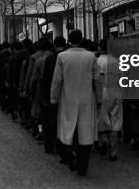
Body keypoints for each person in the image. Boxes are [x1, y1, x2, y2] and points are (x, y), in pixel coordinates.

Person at [50, 29, 102, 176]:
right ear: (81, 39)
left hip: (68, 98)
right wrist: (99, 99)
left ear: (69, 40)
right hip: (87, 98)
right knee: (84, 132)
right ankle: (83, 165)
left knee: (68, 130)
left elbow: (57, 80)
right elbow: (97, 80)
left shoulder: (62, 56)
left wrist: (53, 98)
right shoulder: (90, 57)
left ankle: (70, 157)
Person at [96, 39, 123, 161]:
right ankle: (114, 151)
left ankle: (103, 143)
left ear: (100, 48)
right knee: (115, 121)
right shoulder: (117, 61)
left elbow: (97, 79)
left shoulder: (98, 61)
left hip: (103, 91)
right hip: (116, 91)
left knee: (102, 120)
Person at [39, 36, 66, 154]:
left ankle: (49, 146)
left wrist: (45, 96)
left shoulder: (49, 59)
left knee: (49, 122)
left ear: (54, 45)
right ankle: (63, 147)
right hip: (66, 96)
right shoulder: (67, 57)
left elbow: (45, 79)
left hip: (51, 94)